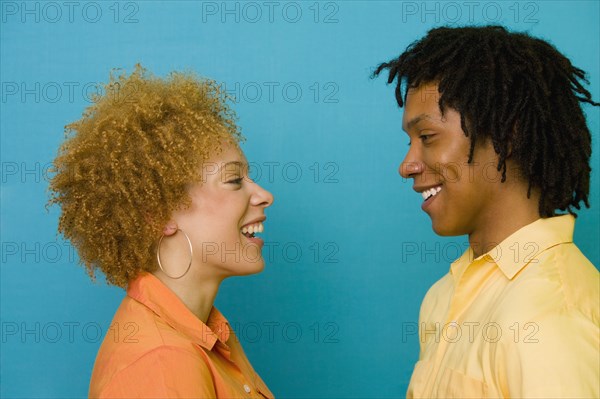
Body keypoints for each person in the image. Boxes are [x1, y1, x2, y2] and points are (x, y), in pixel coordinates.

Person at [374, 26, 599, 398]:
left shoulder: (550, 318)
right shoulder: (443, 296)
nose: (407, 164)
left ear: (505, 135)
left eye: (427, 137)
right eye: (409, 142)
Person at [48, 65, 275, 398]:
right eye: (234, 180)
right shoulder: (161, 366)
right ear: (159, 214)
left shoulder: (208, 334)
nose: (264, 195)